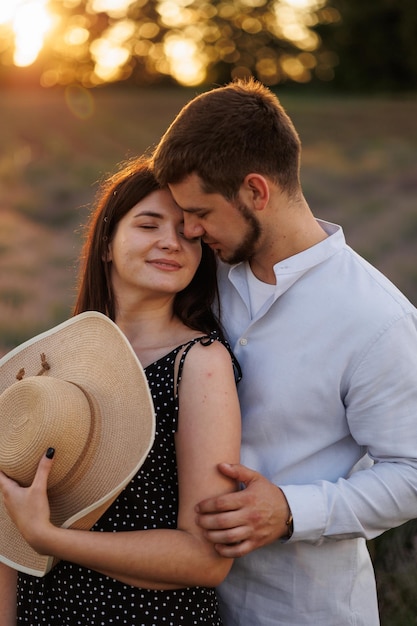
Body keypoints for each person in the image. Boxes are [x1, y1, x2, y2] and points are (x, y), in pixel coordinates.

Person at [152, 78, 417, 626]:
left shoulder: (378, 319)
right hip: (186, 598)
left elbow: (412, 471)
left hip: (305, 608)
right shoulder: (206, 281)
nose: (191, 230)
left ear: (256, 191)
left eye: (201, 211)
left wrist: (294, 511)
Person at [0, 156, 242, 625]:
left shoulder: (199, 362)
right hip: (41, 611)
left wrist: (50, 540)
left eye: (188, 233)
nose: (171, 242)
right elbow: (7, 534)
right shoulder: (52, 360)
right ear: (107, 243)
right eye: (149, 225)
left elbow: (205, 559)